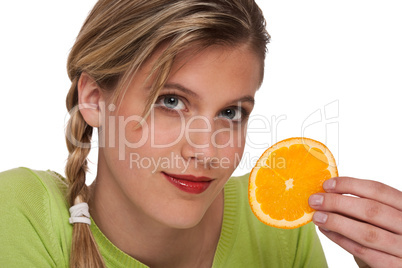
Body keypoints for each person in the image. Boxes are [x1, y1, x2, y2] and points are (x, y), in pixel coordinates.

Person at [0, 0, 401, 267]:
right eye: (171, 101)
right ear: (93, 98)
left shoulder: (277, 234)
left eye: (231, 112)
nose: (207, 150)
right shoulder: (23, 214)